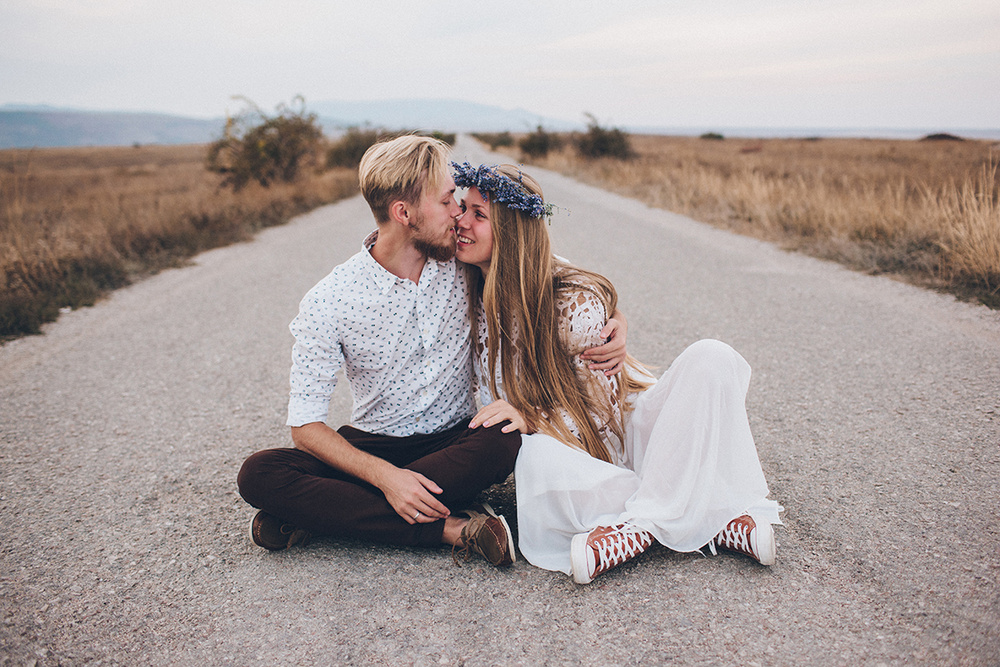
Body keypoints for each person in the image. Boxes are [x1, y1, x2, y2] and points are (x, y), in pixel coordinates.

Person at [236, 136, 626, 567]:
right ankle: (452, 528)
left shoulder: (463, 260)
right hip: (374, 445)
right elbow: (306, 427)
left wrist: (613, 319)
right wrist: (386, 479)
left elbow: (542, 271)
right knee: (259, 474)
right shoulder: (329, 302)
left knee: (504, 439)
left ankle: (327, 515)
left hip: (459, 443)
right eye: (447, 202)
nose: (459, 213)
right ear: (404, 213)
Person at [452, 162, 783, 584]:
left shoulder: (569, 303)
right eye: (462, 207)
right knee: (534, 456)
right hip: (579, 460)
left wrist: (533, 418)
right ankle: (706, 516)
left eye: (478, 214)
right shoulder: (464, 281)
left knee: (713, 357)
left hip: (626, 438)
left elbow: (603, 426)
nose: (461, 221)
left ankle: (637, 528)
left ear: (514, 234)